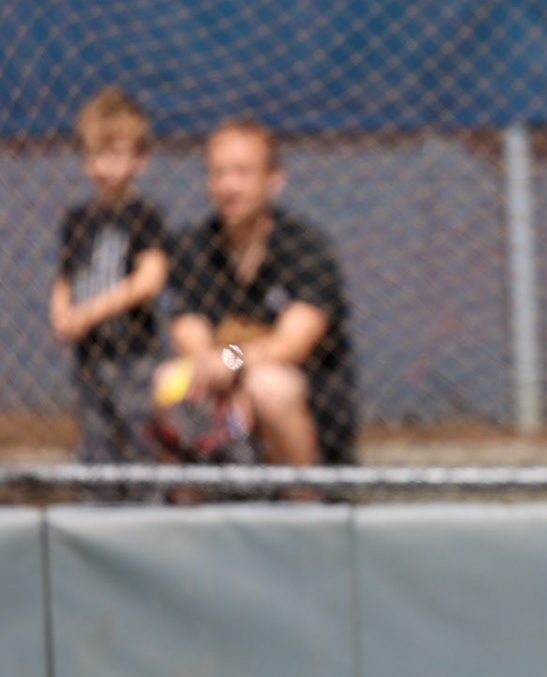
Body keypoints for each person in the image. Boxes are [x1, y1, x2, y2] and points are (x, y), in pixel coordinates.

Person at [159, 118, 357, 467]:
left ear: (273, 180)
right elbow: (189, 337)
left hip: (309, 411)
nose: (229, 185)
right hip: (222, 398)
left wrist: (232, 362)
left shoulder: (305, 247)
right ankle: (186, 511)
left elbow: (292, 344)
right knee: (169, 381)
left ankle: (306, 506)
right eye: (219, 173)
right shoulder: (190, 247)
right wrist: (220, 375)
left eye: (242, 172)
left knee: (268, 386)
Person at [48, 87, 170, 472]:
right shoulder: (78, 218)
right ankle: (94, 517)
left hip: (134, 355)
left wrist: (93, 312)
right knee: (96, 439)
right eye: (96, 153)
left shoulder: (144, 215)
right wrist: (62, 311)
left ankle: (144, 514)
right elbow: (66, 276)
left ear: (140, 160)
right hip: (90, 355)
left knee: (138, 437)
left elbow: (151, 279)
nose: (105, 166)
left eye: (116, 154)